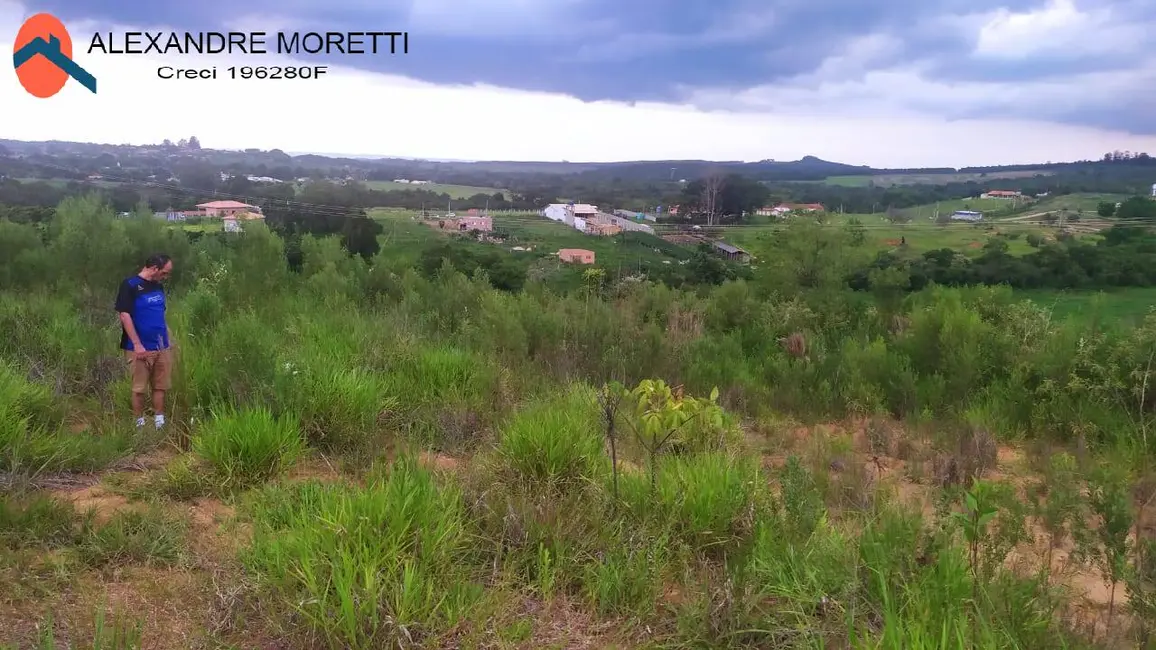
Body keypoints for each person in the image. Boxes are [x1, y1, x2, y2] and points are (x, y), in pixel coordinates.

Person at [115, 254, 174, 430]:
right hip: (139, 348)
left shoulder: (158, 287)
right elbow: (124, 315)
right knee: (139, 388)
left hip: (161, 346)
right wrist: (137, 344)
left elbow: (159, 315)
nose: (165, 277)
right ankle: (139, 425)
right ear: (154, 268)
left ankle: (159, 423)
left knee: (160, 386)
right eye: (164, 273)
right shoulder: (130, 285)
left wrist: (169, 339)